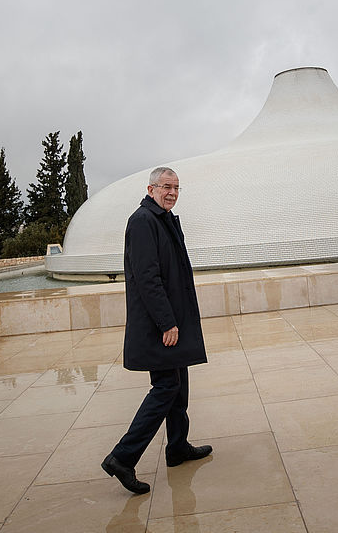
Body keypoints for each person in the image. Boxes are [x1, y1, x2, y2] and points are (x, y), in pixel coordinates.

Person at [101, 167, 211, 494]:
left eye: (176, 187)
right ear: (151, 189)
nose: (172, 192)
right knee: (166, 386)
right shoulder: (143, 222)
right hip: (158, 325)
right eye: (166, 187)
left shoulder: (162, 219)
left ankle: (177, 446)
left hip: (171, 319)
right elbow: (147, 279)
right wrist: (167, 323)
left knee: (179, 383)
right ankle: (122, 457)